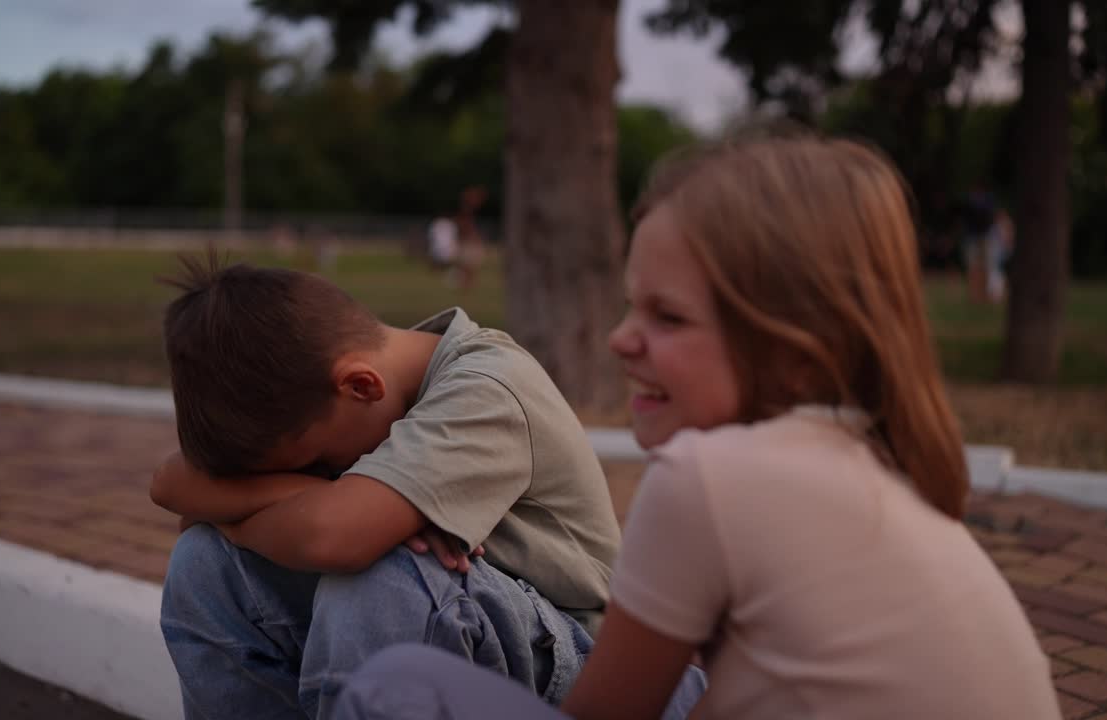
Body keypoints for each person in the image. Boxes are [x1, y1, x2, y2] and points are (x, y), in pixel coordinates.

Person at [331, 135, 1061, 720]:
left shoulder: (712, 478)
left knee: (401, 685)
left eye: (668, 317)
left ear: (798, 357)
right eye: (631, 306)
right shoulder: (875, 463)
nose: (621, 339)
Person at [149, 258, 704, 720]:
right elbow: (171, 483)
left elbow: (333, 536)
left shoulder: (489, 387)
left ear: (361, 385)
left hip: (584, 667)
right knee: (205, 563)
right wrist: (296, 507)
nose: (318, 475)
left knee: (384, 576)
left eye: (317, 463)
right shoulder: (353, 396)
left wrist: (292, 512)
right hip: (468, 635)